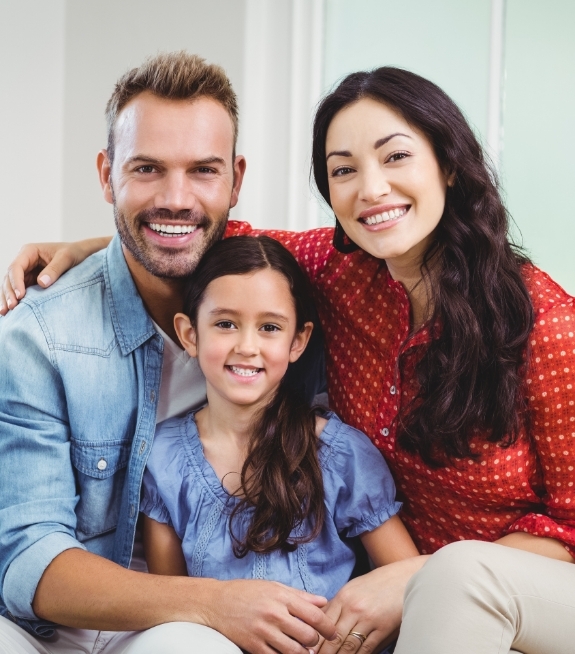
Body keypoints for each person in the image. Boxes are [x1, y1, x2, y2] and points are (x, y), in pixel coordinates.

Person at [8, 65, 575, 653]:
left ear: (450, 166)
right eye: (344, 170)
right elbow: (208, 240)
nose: (371, 189)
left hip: (516, 585)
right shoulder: (340, 274)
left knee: (457, 578)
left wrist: (413, 576)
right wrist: (88, 248)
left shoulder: (547, 324)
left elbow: (570, 527)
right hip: (402, 593)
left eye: (396, 157)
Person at [0, 52, 342, 654]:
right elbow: (29, 557)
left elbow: (380, 244)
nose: (177, 198)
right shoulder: (39, 336)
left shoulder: (284, 302)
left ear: (236, 179)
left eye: (203, 170)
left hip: (178, 634)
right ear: (108, 175)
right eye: (149, 169)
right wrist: (213, 601)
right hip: (50, 630)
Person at [140, 235, 417, 654]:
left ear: (298, 341)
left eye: (269, 327)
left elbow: (408, 581)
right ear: (189, 334)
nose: (247, 346)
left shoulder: (340, 455)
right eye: (225, 323)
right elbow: (171, 612)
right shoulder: (162, 459)